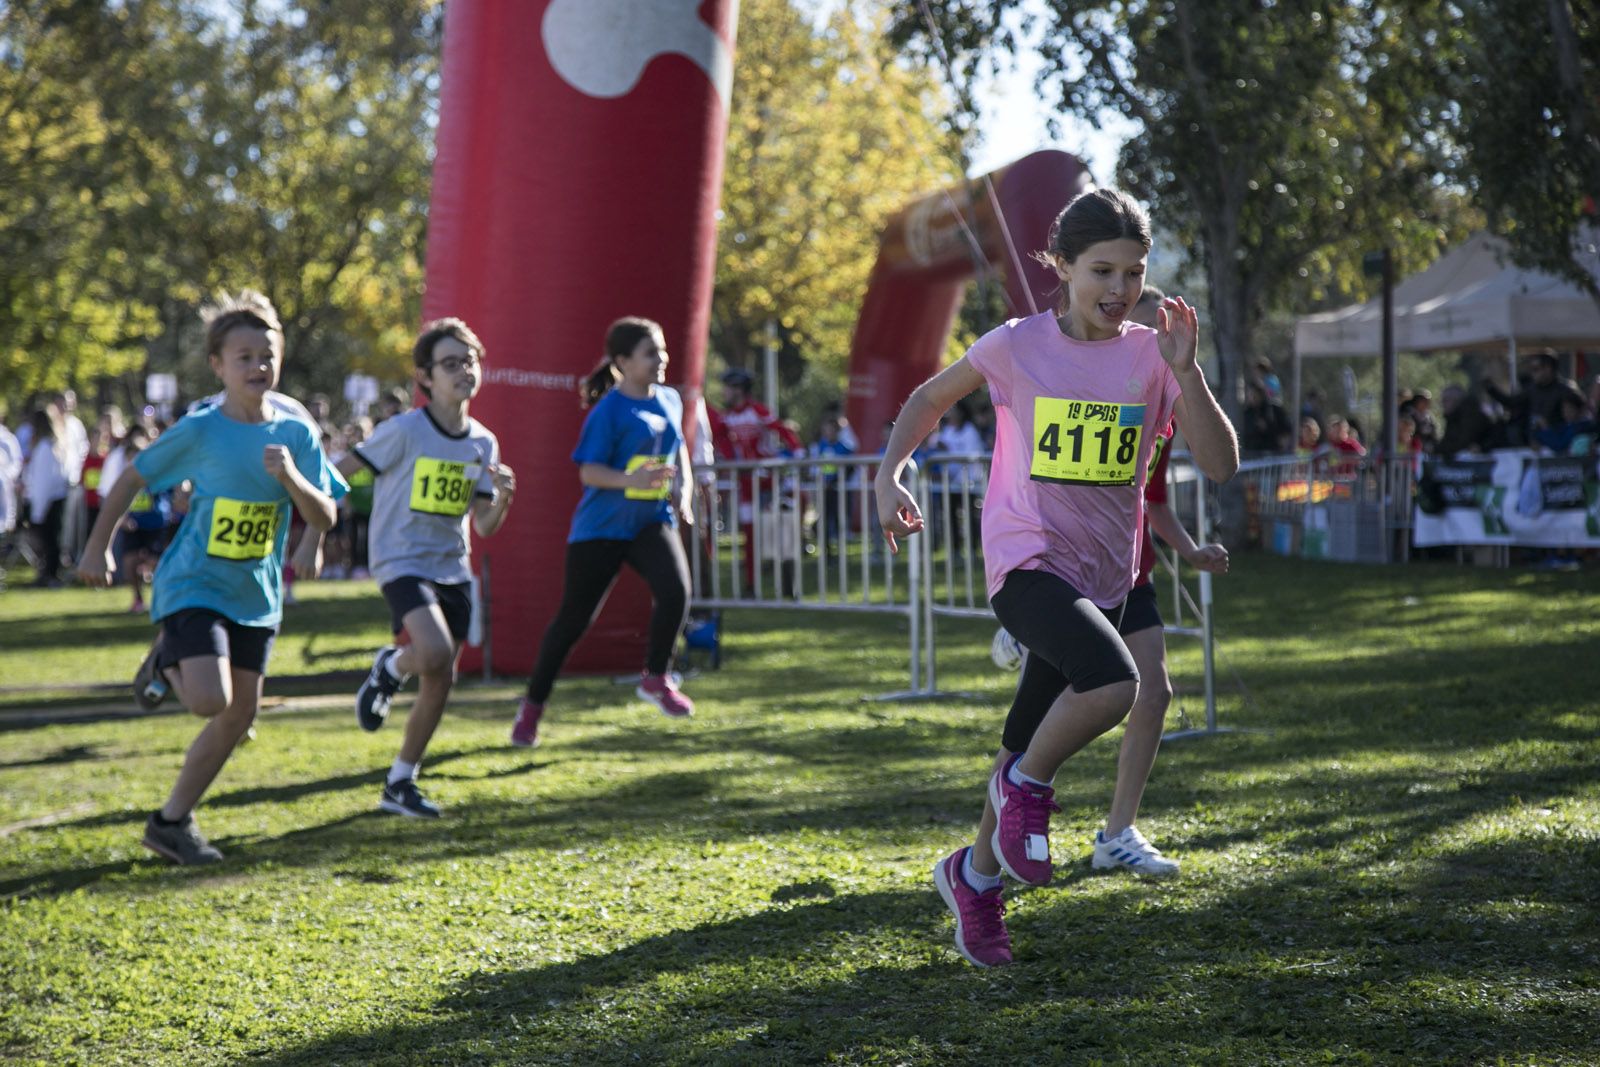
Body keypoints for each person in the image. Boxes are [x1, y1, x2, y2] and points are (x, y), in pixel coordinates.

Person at [875, 189, 1238, 967]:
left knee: (1024, 736)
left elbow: (1220, 465)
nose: (1119, 288)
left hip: (1108, 575)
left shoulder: (1154, 355)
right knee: (1115, 683)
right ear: (1063, 266)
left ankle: (974, 878)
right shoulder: (1016, 346)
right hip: (1027, 563)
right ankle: (1028, 788)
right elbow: (930, 398)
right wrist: (889, 473)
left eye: (1133, 273)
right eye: (1102, 270)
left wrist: (1189, 372)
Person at [78, 290, 337, 865]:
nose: (258, 367)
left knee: (240, 716)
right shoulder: (201, 430)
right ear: (218, 365)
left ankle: (170, 823)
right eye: (244, 357)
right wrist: (97, 548)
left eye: (267, 356)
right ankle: (168, 656)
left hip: (256, 592)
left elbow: (325, 513)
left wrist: (293, 482)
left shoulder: (296, 431)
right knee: (209, 700)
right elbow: (131, 480)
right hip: (194, 582)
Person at [344, 319, 515, 818]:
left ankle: (400, 781)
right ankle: (392, 667)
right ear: (425, 376)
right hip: (400, 560)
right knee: (434, 651)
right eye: (450, 363)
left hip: (452, 567)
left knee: (441, 677)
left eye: (470, 361)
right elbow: (340, 472)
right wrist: (313, 523)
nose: (464, 371)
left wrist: (504, 498)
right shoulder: (404, 430)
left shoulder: (483, 442)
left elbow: (484, 523)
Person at [510, 317, 696, 748]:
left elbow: (680, 450)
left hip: (650, 521)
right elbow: (589, 472)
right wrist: (632, 481)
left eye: (662, 350)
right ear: (623, 362)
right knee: (573, 622)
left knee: (676, 592)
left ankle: (656, 678)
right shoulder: (608, 412)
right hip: (601, 530)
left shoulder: (669, 398)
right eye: (650, 353)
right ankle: (532, 708)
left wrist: (683, 492)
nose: (662, 359)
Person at [708, 366, 801, 590]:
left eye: (727, 388)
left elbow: (783, 431)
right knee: (749, 534)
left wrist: (798, 455)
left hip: (770, 482)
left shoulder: (757, 410)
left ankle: (789, 582)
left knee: (780, 530)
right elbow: (722, 443)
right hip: (747, 485)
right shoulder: (727, 418)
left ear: (738, 389)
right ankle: (752, 583)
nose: (723, 392)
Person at [21, 406, 71, 586]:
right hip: (54, 500)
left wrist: (37, 513)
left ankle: (50, 575)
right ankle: (48, 574)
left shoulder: (45, 448)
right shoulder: (53, 445)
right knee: (51, 541)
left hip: (47, 503)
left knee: (49, 542)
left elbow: (43, 483)